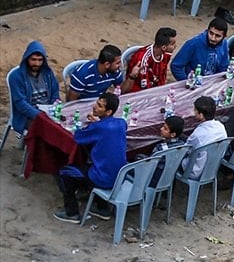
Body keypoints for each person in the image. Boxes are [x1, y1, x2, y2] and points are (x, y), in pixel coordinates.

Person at [53, 92, 126, 223]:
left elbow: (78, 137)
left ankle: (72, 212)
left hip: (102, 177)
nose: (94, 106)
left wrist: (92, 125)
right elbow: (106, 129)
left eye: (99, 106)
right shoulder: (121, 123)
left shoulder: (98, 127)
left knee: (64, 172)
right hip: (119, 176)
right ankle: (102, 208)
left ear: (108, 112)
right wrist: (98, 123)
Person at [10, 40, 60, 138]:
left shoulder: (48, 74)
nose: (36, 63)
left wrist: (55, 108)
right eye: (33, 59)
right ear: (27, 59)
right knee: (50, 133)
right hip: (27, 116)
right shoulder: (16, 76)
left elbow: (55, 94)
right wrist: (40, 116)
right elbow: (20, 104)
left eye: (40, 60)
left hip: (47, 112)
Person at [183, 96, 227, 180]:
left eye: (195, 110)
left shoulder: (198, 135)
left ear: (201, 115)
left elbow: (185, 150)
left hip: (194, 171)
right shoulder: (220, 127)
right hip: (213, 168)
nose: (194, 112)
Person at [122, 27, 177, 92]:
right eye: (173, 44)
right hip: (138, 93)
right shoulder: (143, 59)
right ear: (164, 47)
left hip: (155, 90)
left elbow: (162, 77)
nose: (175, 46)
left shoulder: (166, 54)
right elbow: (144, 86)